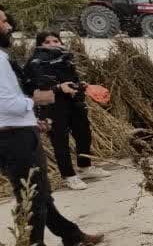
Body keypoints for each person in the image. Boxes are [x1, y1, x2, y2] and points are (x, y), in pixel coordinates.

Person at [0, 9, 103, 246]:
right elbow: (6, 103)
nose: (8, 25)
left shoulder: (3, 57)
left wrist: (31, 117)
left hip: (18, 129)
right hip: (12, 137)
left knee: (40, 191)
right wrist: (41, 99)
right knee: (32, 196)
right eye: (2, 21)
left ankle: (70, 235)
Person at [25, 33, 111, 189]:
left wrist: (81, 85)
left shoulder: (65, 58)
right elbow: (32, 87)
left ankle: (85, 167)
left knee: (83, 134)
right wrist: (58, 88)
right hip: (52, 105)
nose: (52, 44)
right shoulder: (35, 62)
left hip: (73, 102)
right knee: (60, 140)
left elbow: (72, 78)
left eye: (55, 40)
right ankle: (69, 175)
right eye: (47, 42)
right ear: (39, 45)